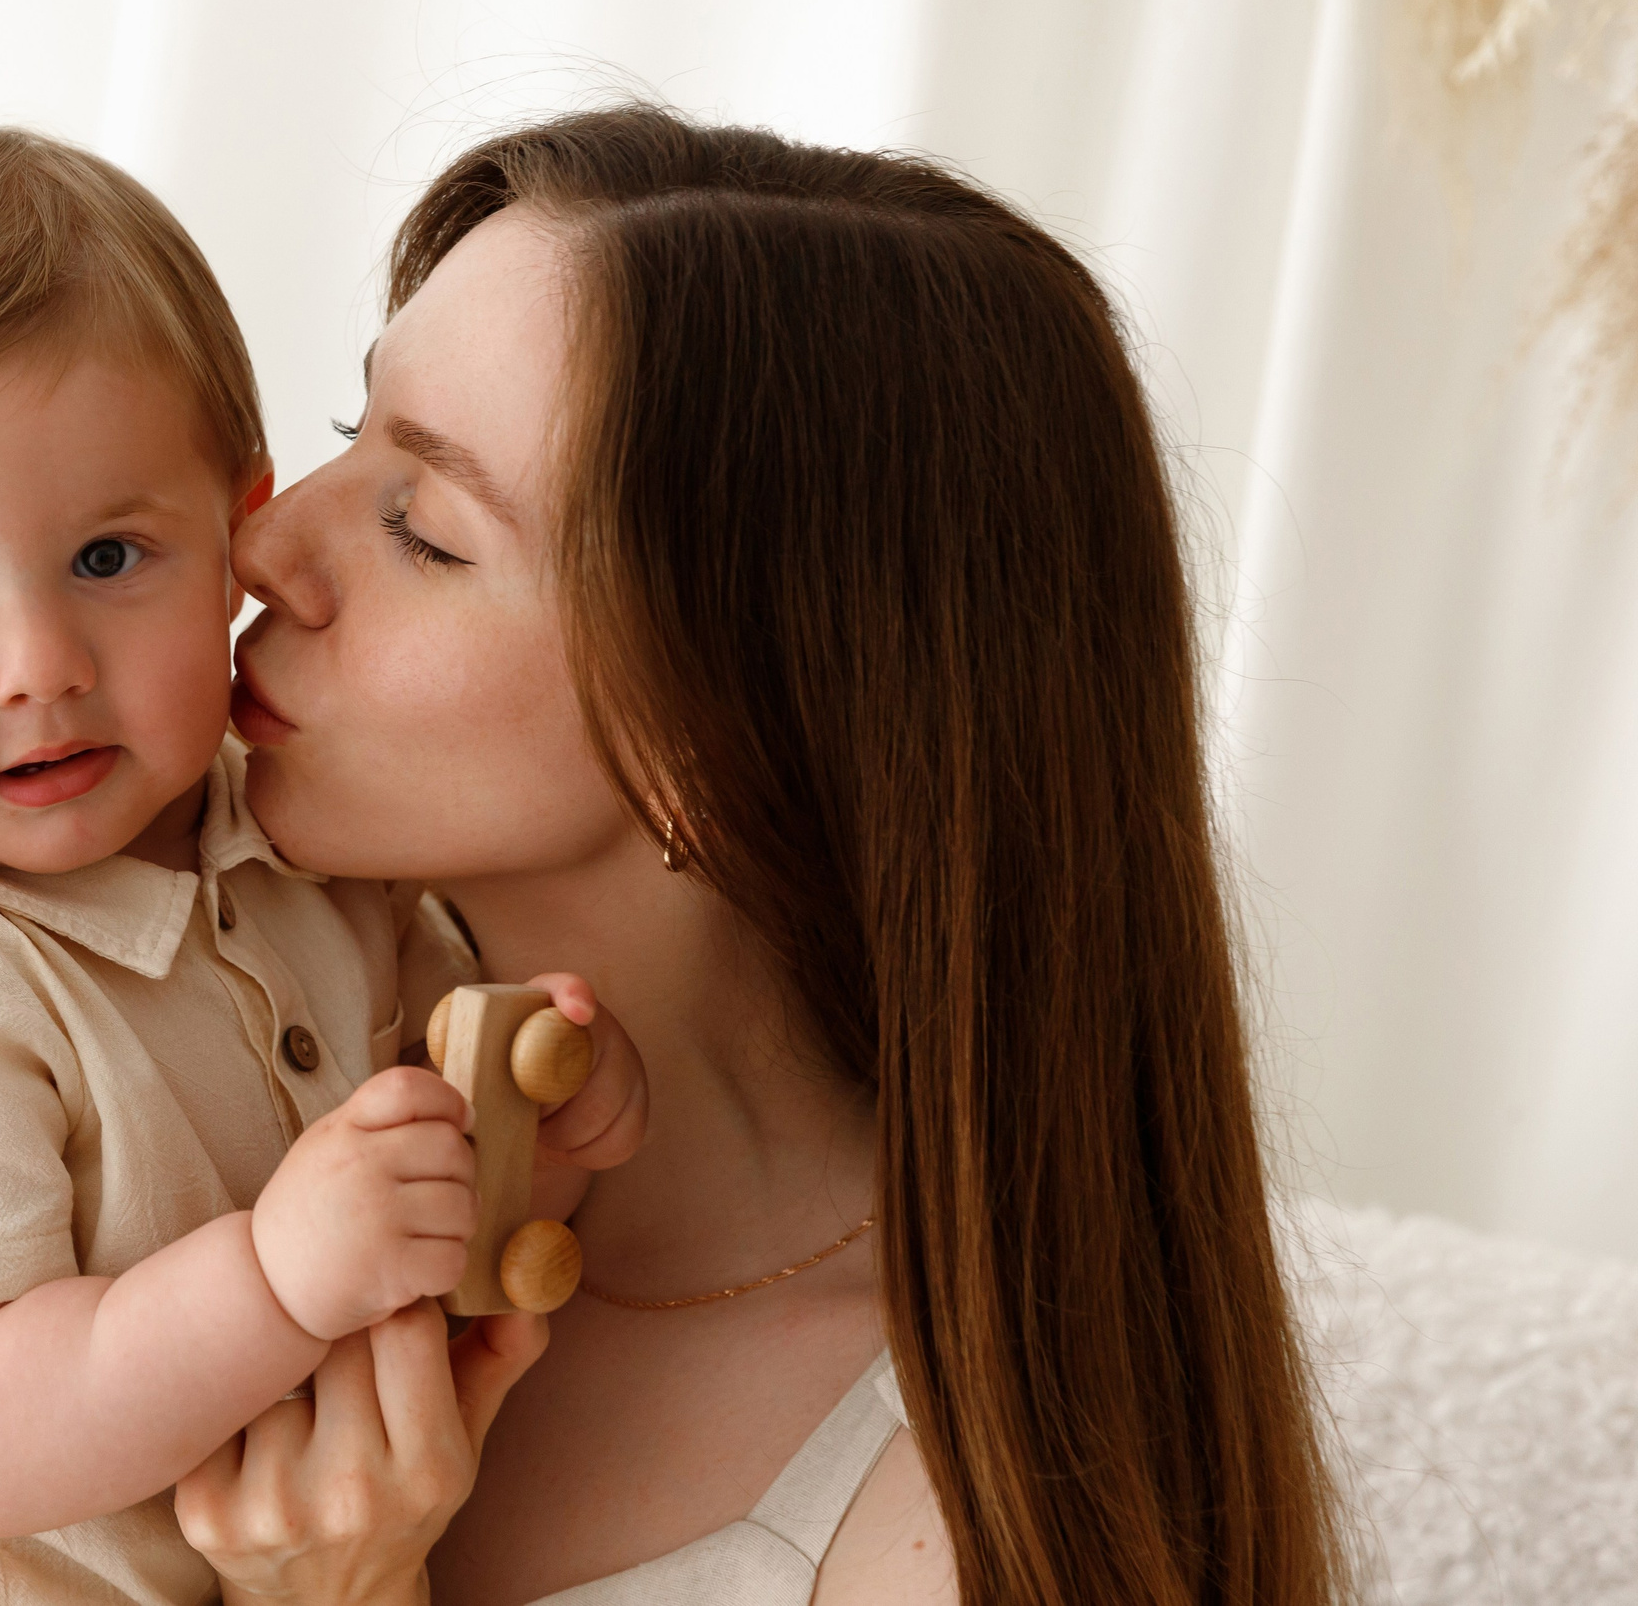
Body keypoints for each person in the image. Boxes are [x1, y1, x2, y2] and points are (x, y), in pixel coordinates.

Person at [178, 105, 1348, 1604]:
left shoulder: (932, 1537)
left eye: (423, 526)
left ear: (717, 742)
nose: (261, 550)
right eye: (354, 437)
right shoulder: (224, 1088)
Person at [0, 122, 644, 1606]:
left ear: (236, 531)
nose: (39, 665)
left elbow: (417, 1195)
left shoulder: (307, 837)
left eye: (112, 559)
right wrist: (271, 1279)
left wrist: (532, 1146)